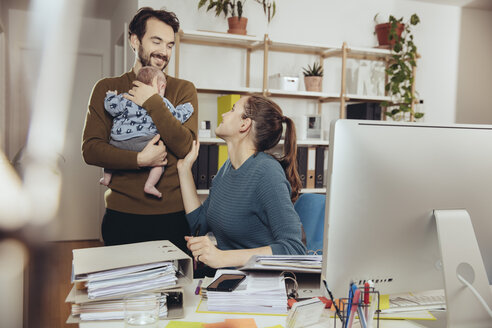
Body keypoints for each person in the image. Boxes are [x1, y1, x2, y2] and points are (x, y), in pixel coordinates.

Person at [82, 7, 197, 252]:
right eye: (157, 41)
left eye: (169, 45)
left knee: (173, 291)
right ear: (135, 40)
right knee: (122, 291)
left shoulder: (183, 90)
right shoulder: (108, 88)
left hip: (173, 217)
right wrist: (139, 159)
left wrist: (152, 101)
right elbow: (92, 149)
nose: (164, 52)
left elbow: (186, 147)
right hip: (121, 216)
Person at [177, 95, 306, 269]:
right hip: (229, 281)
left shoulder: (267, 172)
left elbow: (294, 249)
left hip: (259, 286)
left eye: (232, 110)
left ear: (245, 124)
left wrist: (223, 258)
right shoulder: (226, 169)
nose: (223, 115)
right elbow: (199, 225)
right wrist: (184, 170)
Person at [100, 66, 193, 198]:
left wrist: (110, 96)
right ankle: (150, 185)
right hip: (143, 142)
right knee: (158, 162)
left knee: (109, 157)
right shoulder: (161, 102)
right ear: (161, 86)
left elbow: (111, 107)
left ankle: (106, 177)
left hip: (118, 141)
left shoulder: (126, 97)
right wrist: (187, 108)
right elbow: (177, 117)